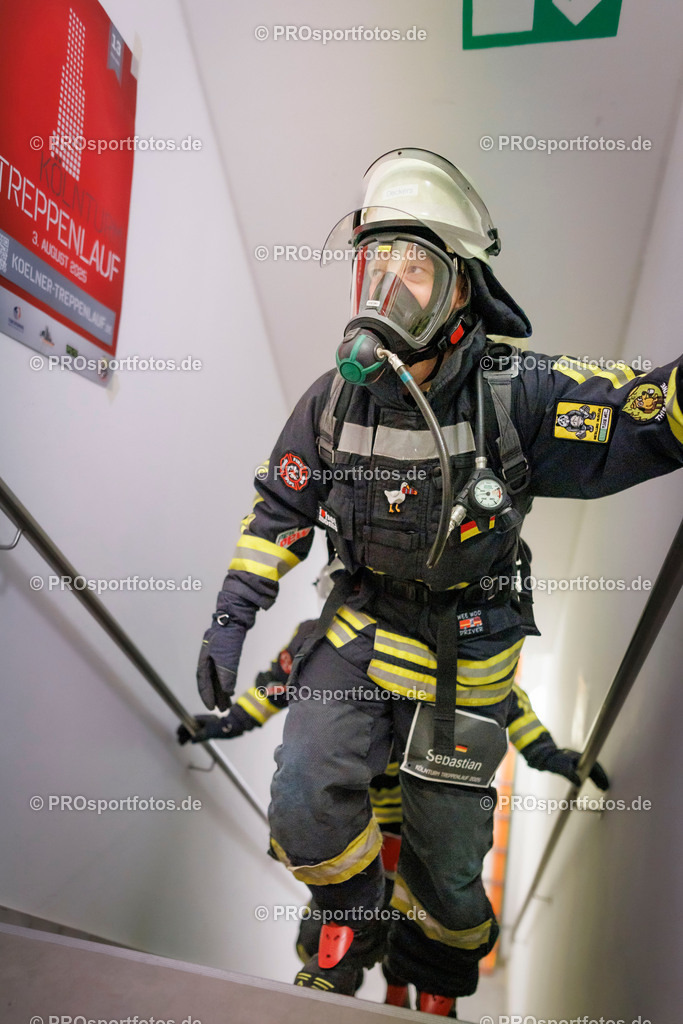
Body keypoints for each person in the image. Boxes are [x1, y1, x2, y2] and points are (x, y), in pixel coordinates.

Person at [195, 148, 683, 1015]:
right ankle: (349, 923)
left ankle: (436, 981)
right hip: (362, 633)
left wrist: (549, 753)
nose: (388, 288)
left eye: (413, 266)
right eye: (374, 264)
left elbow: (639, 412)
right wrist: (235, 613)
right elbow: (280, 506)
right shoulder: (330, 403)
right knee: (303, 797)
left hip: (469, 653)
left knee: (452, 871)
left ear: (461, 288)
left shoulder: (517, 398)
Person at [182, 616, 608, 1008]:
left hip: (423, 819)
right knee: (342, 895)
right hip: (362, 817)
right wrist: (228, 722)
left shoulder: (450, 648)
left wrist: (549, 754)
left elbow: (504, 703)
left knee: (427, 905)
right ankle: (337, 971)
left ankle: (406, 988)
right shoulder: (328, 636)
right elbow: (281, 682)